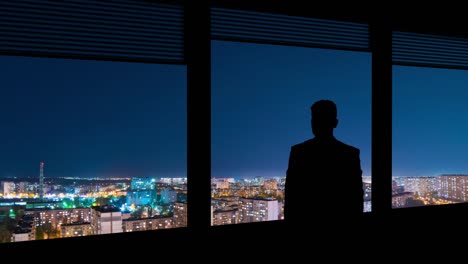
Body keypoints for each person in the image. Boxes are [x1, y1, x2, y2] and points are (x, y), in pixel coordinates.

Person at [284, 99, 363, 226]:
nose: (315, 123)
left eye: (318, 119)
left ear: (334, 122)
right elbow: (355, 199)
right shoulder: (350, 154)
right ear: (336, 123)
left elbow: (291, 198)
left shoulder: (299, 152)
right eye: (315, 119)